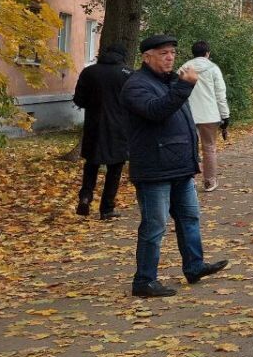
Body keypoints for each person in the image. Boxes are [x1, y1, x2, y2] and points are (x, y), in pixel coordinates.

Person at [121, 34, 228, 297]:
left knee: (190, 218)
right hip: (154, 168)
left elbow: (183, 121)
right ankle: (144, 281)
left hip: (179, 166)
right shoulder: (136, 84)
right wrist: (184, 86)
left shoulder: (170, 81)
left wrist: (192, 160)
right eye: (163, 53)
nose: (170, 57)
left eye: (172, 53)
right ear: (147, 57)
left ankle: (194, 266)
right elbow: (156, 111)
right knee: (155, 225)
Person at [72, 43, 131, 220]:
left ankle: (85, 196)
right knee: (115, 167)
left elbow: (79, 100)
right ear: (122, 56)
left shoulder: (89, 72)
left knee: (91, 163)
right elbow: (134, 100)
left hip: (94, 125)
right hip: (119, 127)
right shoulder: (127, 74)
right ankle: (107, 208)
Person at [178, 40, 230, 193]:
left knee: (189, 148)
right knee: (209, 148)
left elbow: (176, 91)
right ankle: (209, 182)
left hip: (188, 114)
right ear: (207, 53)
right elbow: (220, 94)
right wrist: (225, 115)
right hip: (209, 115)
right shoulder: (213, 69)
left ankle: (190, 183)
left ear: (193, 53)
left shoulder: (183, 68)